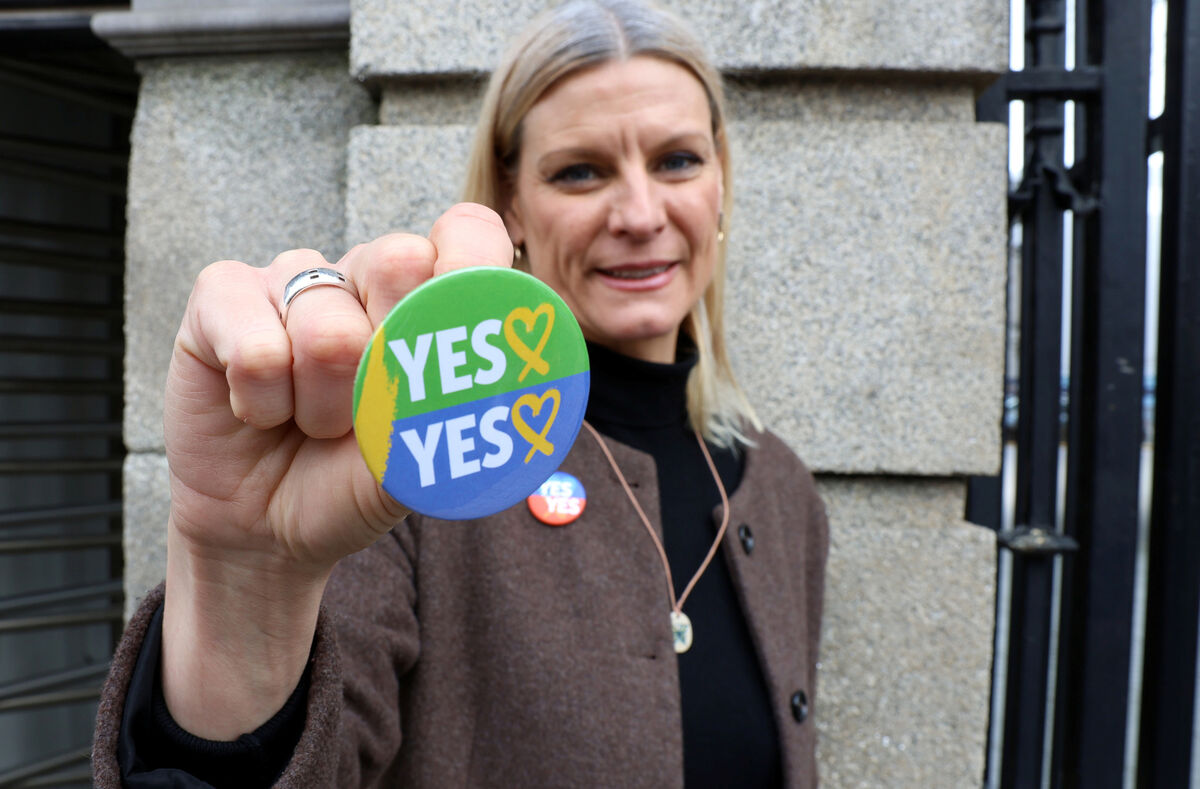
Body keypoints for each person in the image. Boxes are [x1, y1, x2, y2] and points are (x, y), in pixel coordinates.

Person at [91, 0, 829, 786]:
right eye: (580, 171)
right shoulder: (422, 461)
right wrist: (245, 581)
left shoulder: (781, 491)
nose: (641, 214)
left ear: (720, 181)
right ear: (513, 205)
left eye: (678, 160)